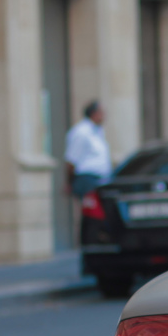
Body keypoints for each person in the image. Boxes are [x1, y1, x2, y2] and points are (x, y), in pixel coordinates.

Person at [65, 100, 112, 245]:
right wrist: (69, 182)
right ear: (94, 114)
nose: (103, 116)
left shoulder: (97, 131)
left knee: (99, 214)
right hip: (87, 179)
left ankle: (97, 240)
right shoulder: (81, 132)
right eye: (101, 113)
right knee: (92, 214)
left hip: (99, 179)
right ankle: (89, 242)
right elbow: (71, 160)